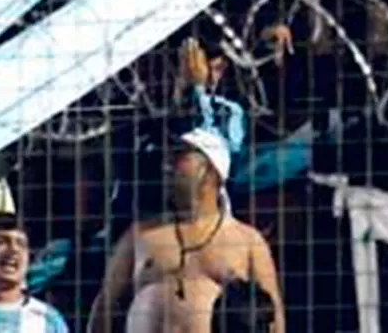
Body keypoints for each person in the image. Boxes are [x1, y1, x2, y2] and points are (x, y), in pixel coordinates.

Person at [88, 129, 284, 333]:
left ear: (210, 169)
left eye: (180, 155)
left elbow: (273, 317)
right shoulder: (140, 235)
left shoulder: (248, 241)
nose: (168, 162)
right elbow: (106, 304)